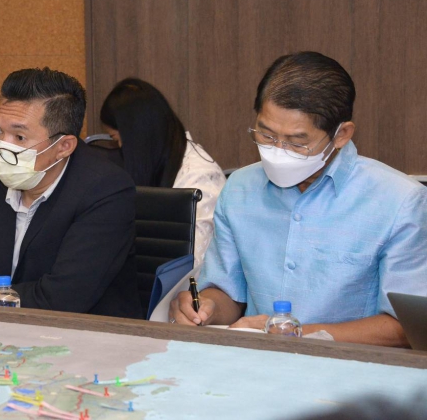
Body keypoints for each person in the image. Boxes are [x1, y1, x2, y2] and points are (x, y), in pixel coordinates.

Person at [170, 51, 427, 347]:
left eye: (297, 142)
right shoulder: (239, 188)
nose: (278, 151)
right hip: (254, 361)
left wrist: (297, 334)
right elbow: (229, 294)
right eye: (266, 135)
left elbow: (406, 327)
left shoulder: (400, 201)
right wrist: (207, 307)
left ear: (341, 134)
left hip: (353, 368)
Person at [0, 68, 142, 318]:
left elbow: (61, 298)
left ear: (64, 146)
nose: (3, 147)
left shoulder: (106, 190)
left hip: (88, 332)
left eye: (19, 137)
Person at [99, 78, 226, 265]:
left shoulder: (199, 179)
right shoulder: (165, 162)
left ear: (137, 137)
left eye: (117, 139)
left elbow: (192, 266)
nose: (119, 149)